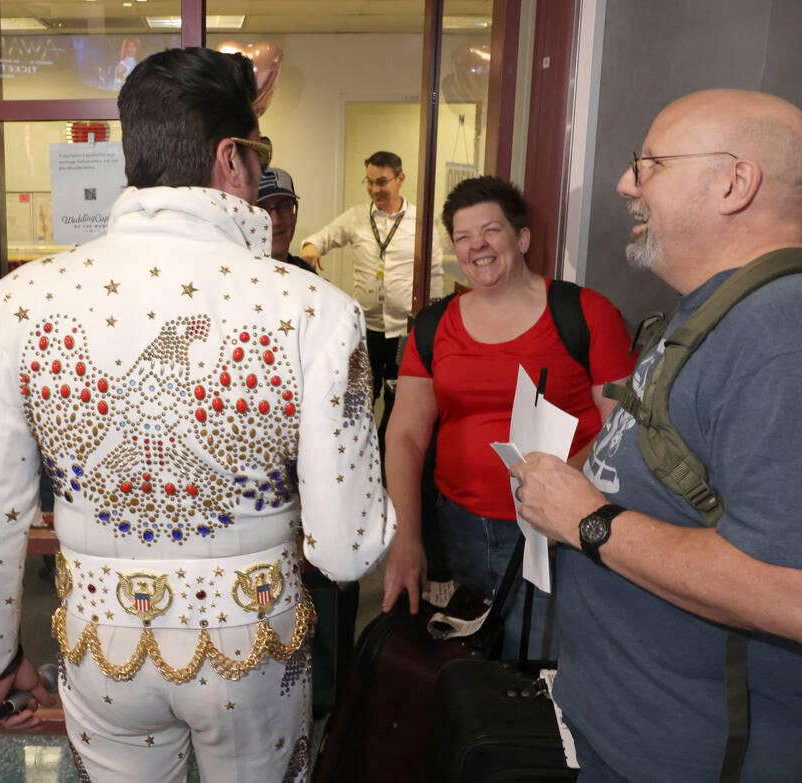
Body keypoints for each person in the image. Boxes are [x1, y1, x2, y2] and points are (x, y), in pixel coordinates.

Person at [0, 47, 395, 783]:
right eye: (257, 157)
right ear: (232, 158)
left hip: (102, 639)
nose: (261, 178)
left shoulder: (19, 301)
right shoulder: (316, 308)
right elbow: (346, 551)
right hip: (254, 641)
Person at [511, 89, 802, 781]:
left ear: (734, 182)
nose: (625, 183)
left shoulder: (779, 335)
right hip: (630, 735)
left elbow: (789, 588)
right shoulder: (716, 307)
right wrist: (582, 475)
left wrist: (588, 519)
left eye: (649, 164)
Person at [381, 175, 633, 659]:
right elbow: (407, 435)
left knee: (546, 659)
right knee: (468, 657)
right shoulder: (434, 326)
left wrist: (561, 490)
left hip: (560, 530)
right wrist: (405, 538)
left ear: (521, 238)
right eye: (462, 236)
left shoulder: (586, 313)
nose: (477, 245)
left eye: (491, 230)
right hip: (460, 528)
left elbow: (622, 427)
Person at [299, 151, 442, 412]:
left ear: (400, 179)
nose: (374, 189)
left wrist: (430, 323)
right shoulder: (356, 217)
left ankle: (389, 449)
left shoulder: (420, 221)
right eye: (369, 182)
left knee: (399, 400)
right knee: (360, 397)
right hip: (366, 329)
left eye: (382, 182)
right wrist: (311, 246)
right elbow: (325, 236)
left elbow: (434, 272)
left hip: (404, 331)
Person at [257, 167, 313, 273]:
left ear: (295, 213)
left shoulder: (308, 274)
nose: (275, 221)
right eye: (262, 209)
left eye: (283, 206)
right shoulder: (238, 278)